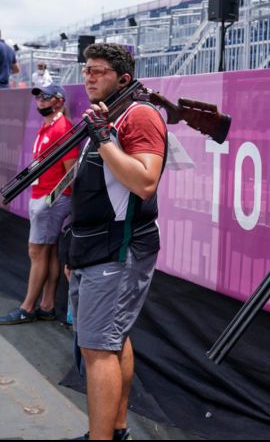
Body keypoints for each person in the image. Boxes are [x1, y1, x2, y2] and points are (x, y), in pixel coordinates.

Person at [68, 43, 167, 441]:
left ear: (123, 79)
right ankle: (117, 429)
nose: (89, 77)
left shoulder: (139, 115)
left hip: (119, 247)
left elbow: (145, 182)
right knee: (110, 341)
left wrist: (105, 137)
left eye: (99, 71)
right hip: (96, 245)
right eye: (86, 70)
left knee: (98, 350)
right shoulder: (109, 115)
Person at [0, 85, 77, 325]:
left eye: (45, 97)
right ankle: (46, 305)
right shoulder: (48, 127)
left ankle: (28, 307)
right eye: (38, 97)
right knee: (48, 251)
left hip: (50, 199)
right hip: (43, 196)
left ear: (58, 100)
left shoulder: (63, 128)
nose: (39, 101)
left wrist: (49, 201)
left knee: (37, 251)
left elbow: (71, 172)